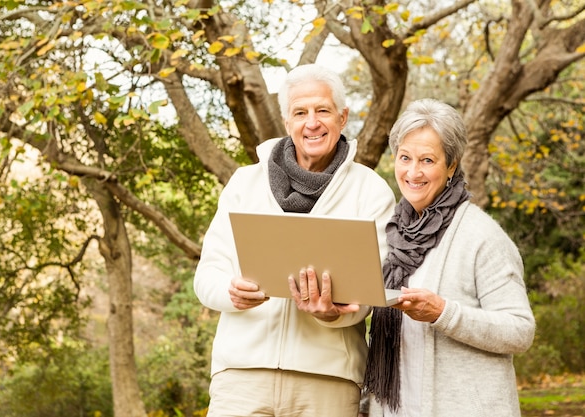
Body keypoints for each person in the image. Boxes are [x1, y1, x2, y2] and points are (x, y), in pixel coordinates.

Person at [193, 63, 396, 417]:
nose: (312, 123)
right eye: (300, 112)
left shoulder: (371, 191)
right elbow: (207, 274)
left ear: (343, 117)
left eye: (323, 110)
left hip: (327, 380)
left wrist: (334, 314)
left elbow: (373, 290)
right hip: (241, 376)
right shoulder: (245, 183)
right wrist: (231, 292)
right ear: (287, 122)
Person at [359, 98, 536, 417]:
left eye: (427, 160)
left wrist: (443, 312)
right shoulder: (391, 234)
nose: (413, 172)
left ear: (451, 165)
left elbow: (520, 331)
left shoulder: (481, 235)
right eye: (405, 158)